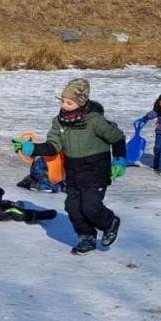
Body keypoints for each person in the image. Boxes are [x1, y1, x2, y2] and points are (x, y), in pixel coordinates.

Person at [13, 78, 127, 255]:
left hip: (96, 171)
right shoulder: (59, 122)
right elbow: (53, 146)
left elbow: (117, 137)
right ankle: (87, 237)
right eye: (63, 101)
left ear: (81, 103)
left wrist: (119, 159)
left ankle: (110, 222)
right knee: (73, 208)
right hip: (73, 172)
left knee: (90, 206)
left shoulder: (95, 121)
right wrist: (33, 148)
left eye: (69, 102)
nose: (64, 105)